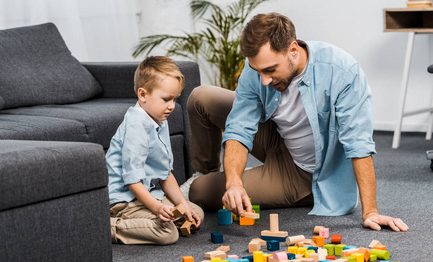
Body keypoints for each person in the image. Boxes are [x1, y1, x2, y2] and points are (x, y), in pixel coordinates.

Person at [186, 13, 408, 232]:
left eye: (270, 70)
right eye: (258, 71)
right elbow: (239, 127)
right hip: (277, 136)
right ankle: (209, 172)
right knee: (201, 98)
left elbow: (358, 144)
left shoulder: (342, 71)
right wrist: (233, 182)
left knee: (199, 192)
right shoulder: (259, 66)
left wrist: (371, 212)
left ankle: (212, 183)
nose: (263, 80)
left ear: (293, 50)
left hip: (303, 173)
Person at [107, 56, 204, 245]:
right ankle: (106, 226)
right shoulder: (136, 125)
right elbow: (133, 182)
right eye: (166, 99)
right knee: (167, 233)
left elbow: (165, 174)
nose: (172, 106)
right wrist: (158, 207)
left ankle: (150, 218)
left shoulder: (159, 119)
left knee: (194, 213)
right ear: (143, 95)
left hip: (145, 194)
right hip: (123, 201)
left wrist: (182, 204)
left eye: (175, 99)